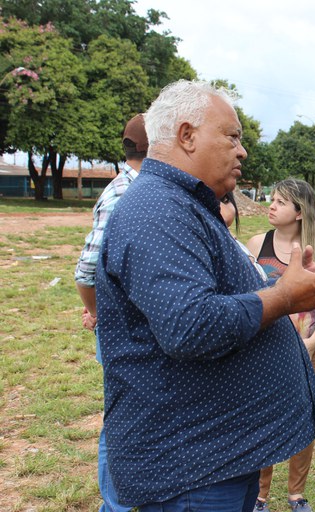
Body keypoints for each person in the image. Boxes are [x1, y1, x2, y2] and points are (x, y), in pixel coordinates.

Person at [95, 80, 315, 511]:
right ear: (187, 135)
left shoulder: (180, 204)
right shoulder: (157, 210)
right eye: (233, 137)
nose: (243, 151)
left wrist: (292, 285)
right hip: (192, 470)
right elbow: (190, 326)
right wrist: (284, 298)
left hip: (214, 456)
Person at [246, 178, 315, 512]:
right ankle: (259, 496)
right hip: (265, 349)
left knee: (303, 420)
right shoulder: (256, 244)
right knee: (262, 419)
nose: (271, 206)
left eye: (280, 202)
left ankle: (296, 495)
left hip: (311, 348)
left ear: (300, 212)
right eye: (272, 199)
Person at [74, 113, 147, 512]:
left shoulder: (138, 187)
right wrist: (99, 313)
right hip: (124, 330)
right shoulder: (123, 193)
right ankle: (114, 506)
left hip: (138, 327)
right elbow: (86, 270)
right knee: (121, 420)